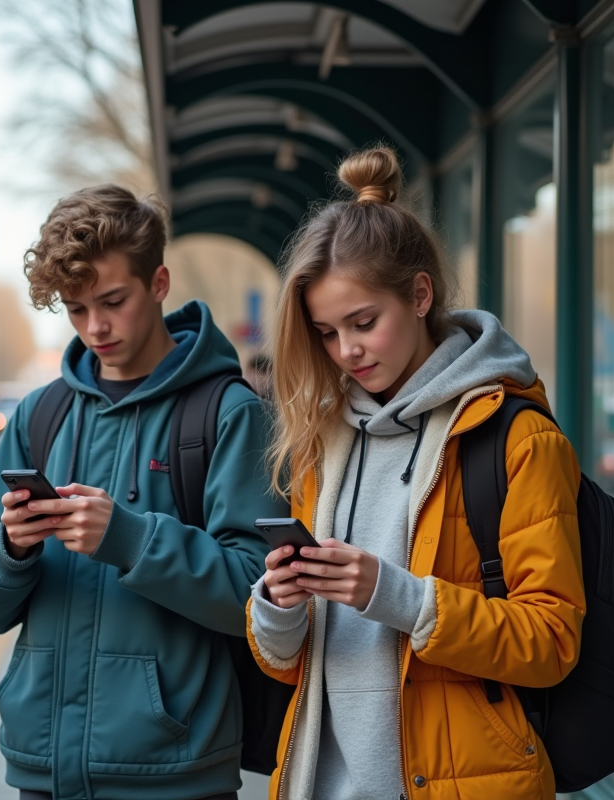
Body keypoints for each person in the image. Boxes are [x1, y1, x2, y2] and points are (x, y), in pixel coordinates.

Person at [246, 146, 585, 799]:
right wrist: (278, 607)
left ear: (420, 294)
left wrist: (395, 593)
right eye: (325, 332)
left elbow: (552, 641)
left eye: (363, 323)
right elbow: (287, 662)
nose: (346, 350)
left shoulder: (517, 438)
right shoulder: (322, 441)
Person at [0, 185, 286, 800]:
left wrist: (128, 538)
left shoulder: (230, 413)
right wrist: (11, 549)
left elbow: (260, 599)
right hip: (40, 769)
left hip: (175, 774)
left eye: (112, 301)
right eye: (75, 310)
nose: (95, 327)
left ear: (158, 283)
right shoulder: (39, 414)